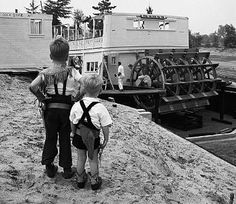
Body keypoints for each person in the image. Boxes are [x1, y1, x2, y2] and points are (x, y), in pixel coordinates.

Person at [29, 36, 82, 179]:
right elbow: (84, 83)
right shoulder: (72, 72)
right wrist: (77, 97)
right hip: (67, 110)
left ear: (51, 56)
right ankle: (66, 169)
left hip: (50, 110)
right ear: (67, 55)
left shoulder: (46, 73)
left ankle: (49, 167)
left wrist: (41, 97)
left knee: (50, 138)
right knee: (65, 138)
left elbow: (32, 86)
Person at [70, 74, 112, 190]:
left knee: (80, 158)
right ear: (99, 90)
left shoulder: (77, 105)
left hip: (79, 136)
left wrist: (73, 133)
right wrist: (106, 139)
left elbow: (72, 121)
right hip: (94, 138)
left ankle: (80, 180)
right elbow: (105, 126)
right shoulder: (100, 107)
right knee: (93, 159)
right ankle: (94, 181)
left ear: (83, 89)